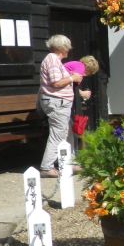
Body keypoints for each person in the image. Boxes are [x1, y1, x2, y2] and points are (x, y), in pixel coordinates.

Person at [38, 34, 82, 177]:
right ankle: (46, 167)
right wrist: (72, 78)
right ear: (62, 47)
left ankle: (71, 163)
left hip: (61, 102)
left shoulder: (55, 60)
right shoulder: (52, 60)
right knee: (58, 134)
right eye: (67, 46)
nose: (69, 49)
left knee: (67, 131)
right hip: (57, 102)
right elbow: (56, 83)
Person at [63, 55, 98, 141]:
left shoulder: (75, 65)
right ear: (89, 69)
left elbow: (71, 85)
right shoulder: (80, 66)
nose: (86, 75)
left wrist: (81, 93)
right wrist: (83, 93)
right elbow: (77, 80)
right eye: (90, 73)